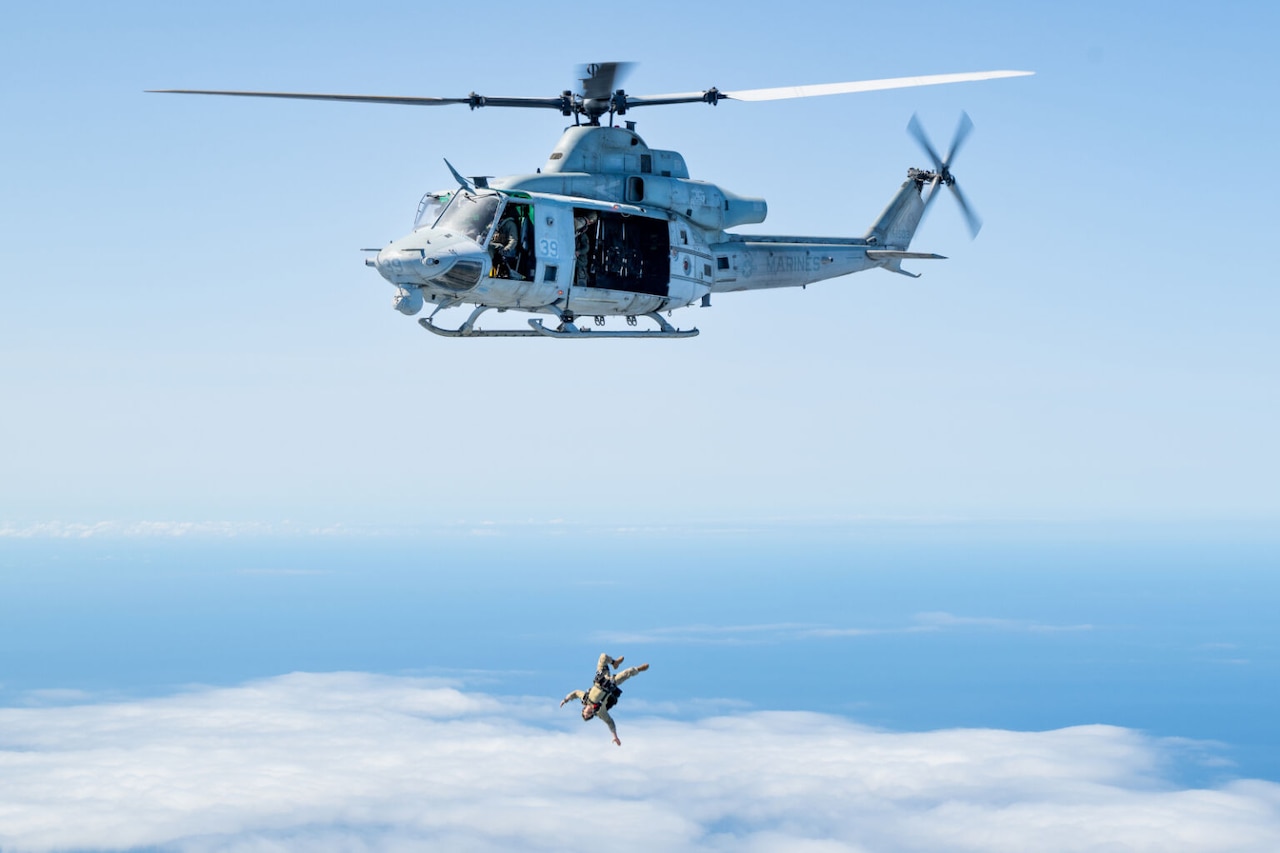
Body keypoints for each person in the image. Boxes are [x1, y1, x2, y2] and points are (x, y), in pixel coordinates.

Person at [560, 653, 649, 746]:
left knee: (603, 656)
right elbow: (610, 722)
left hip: (601, 678)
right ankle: (638, 669)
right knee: (628, 672)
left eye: (586, 714)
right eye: (589, 715)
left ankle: (615, 663)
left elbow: (575, 693)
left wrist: (565, 700)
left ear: (583, 709)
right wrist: (615, 737)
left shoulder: (585, 698)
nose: (588, 713)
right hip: (611, 684)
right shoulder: (600, 711)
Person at [490, 212, 523, 280]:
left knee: (490, 248)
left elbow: (513, 240)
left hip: (506, 250)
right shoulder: (494, 224)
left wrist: (507, 249)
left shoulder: (510, 224)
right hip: (497, 248)